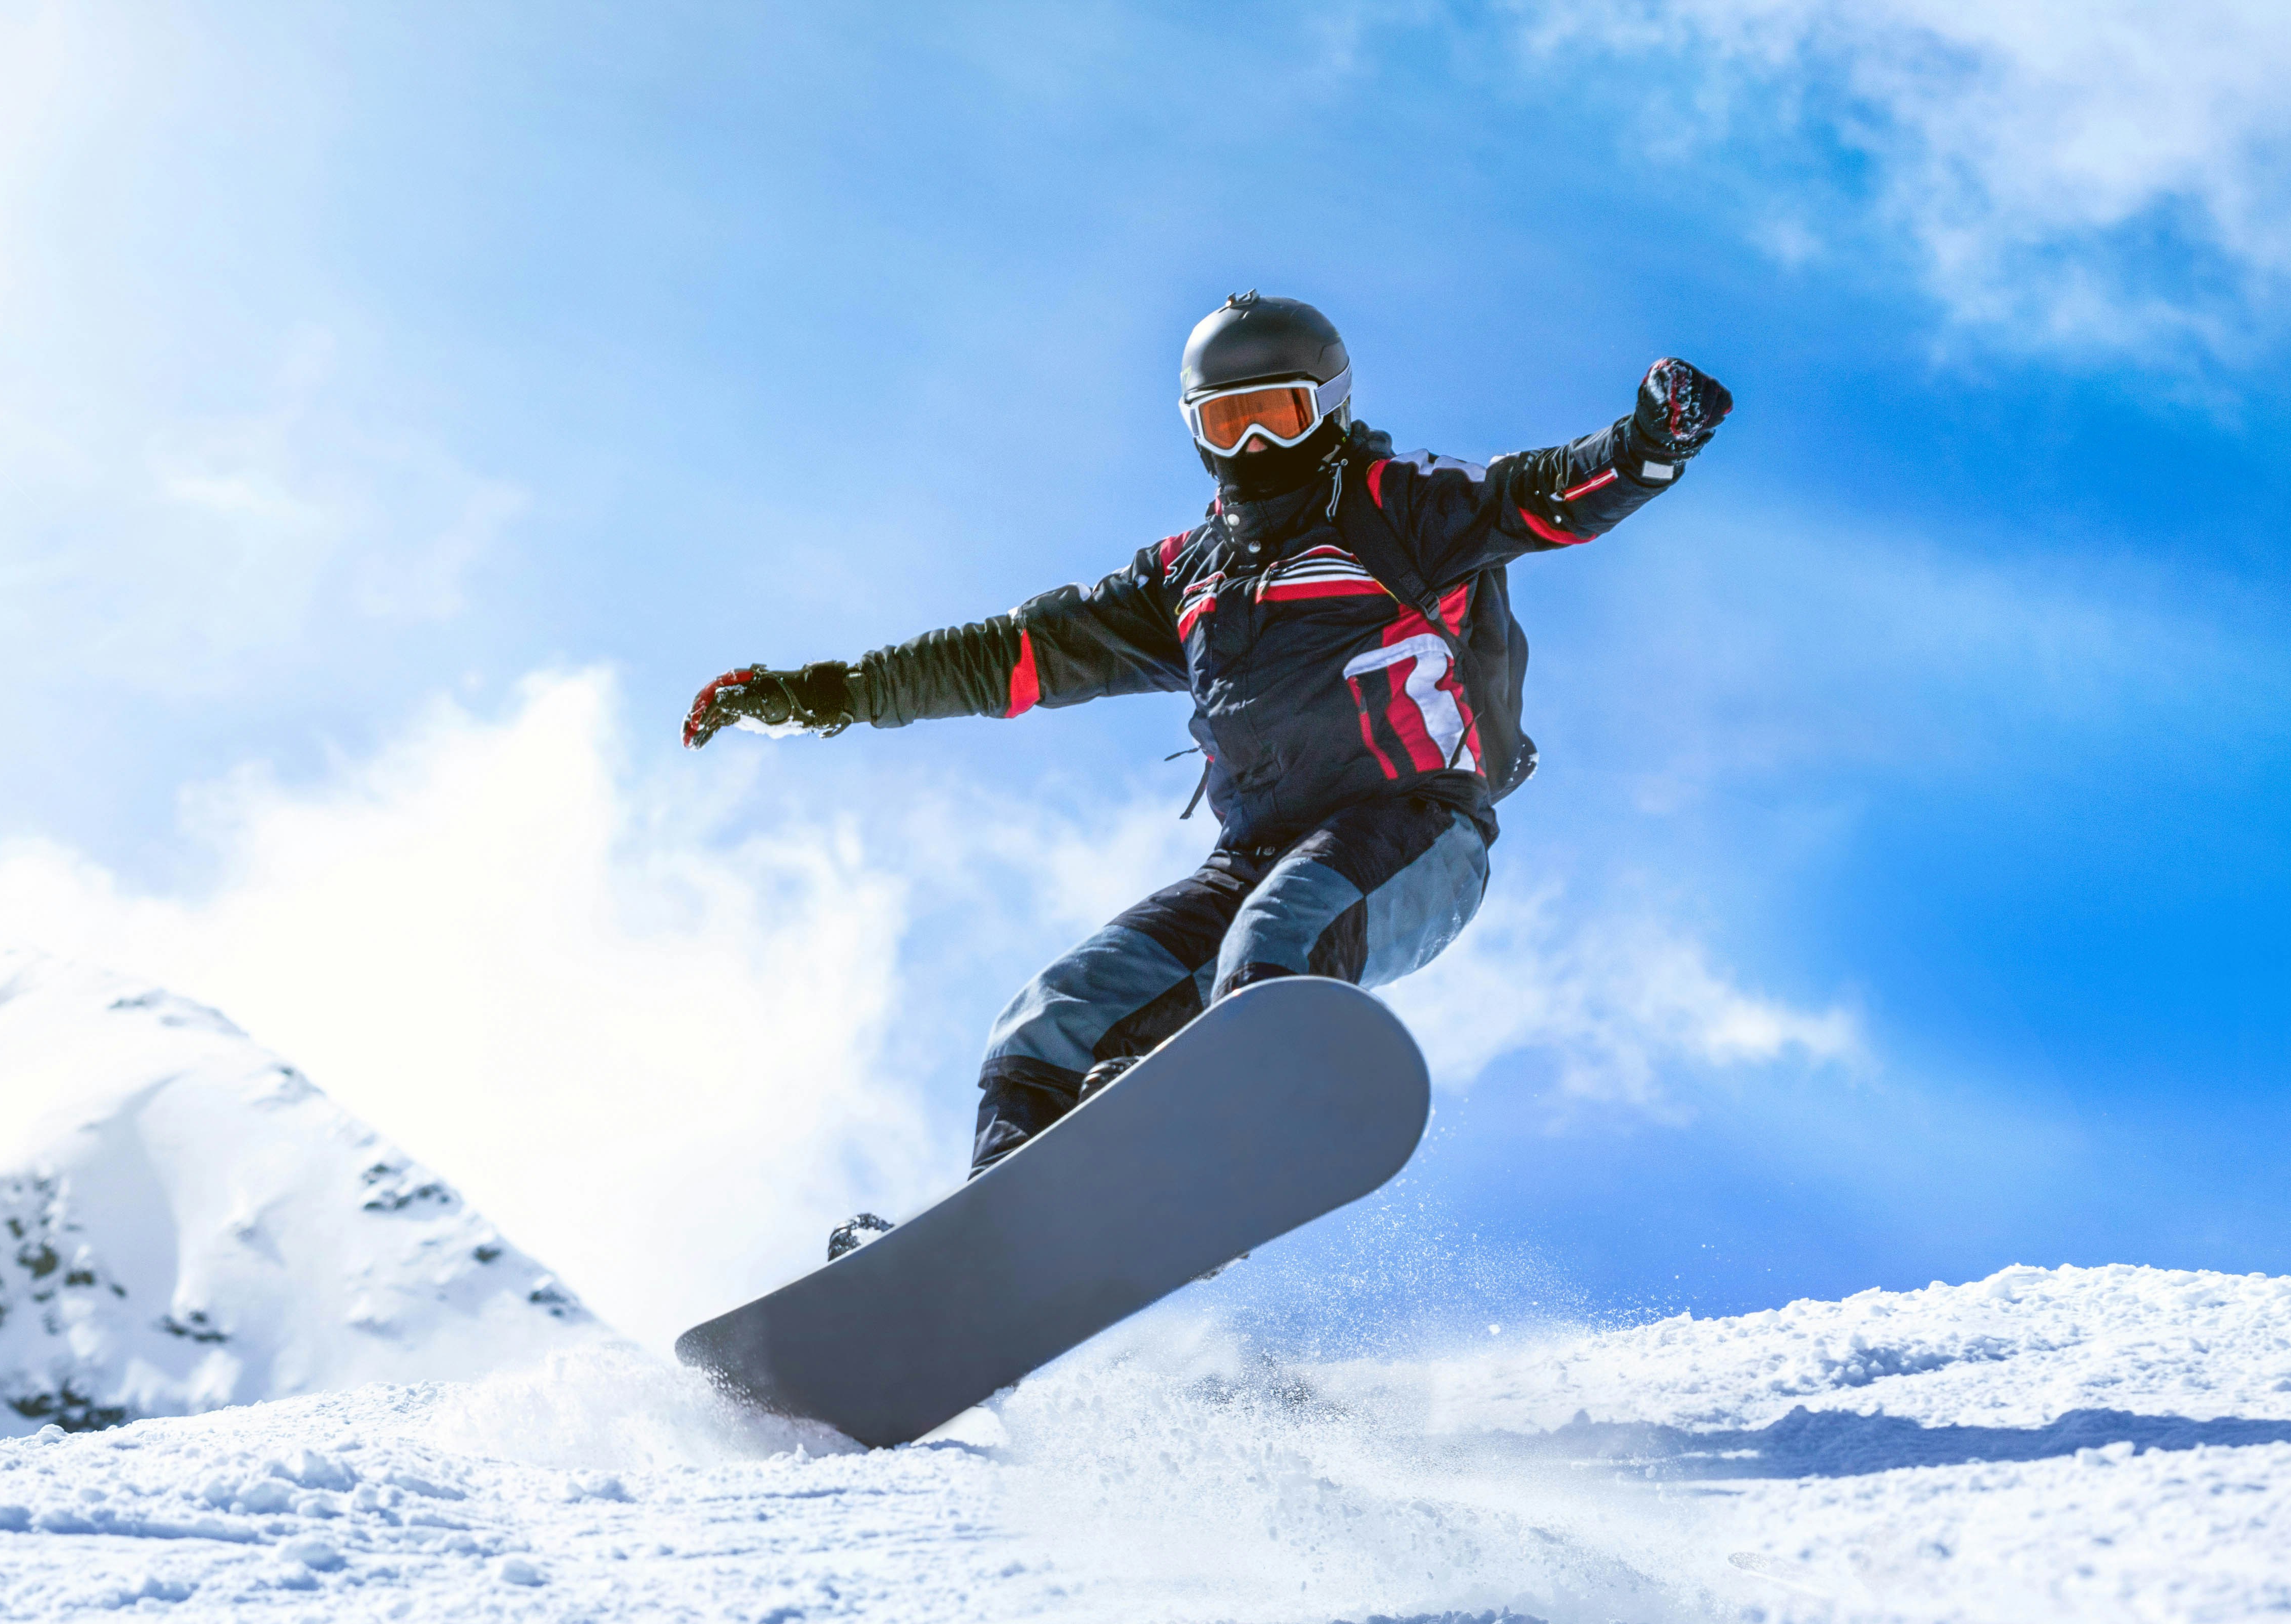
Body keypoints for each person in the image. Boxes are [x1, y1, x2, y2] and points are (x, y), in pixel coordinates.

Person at [682, 292, 1730, 1246]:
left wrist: (1647, 447)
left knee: (1270, 951)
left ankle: (1181, 1153)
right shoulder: (1188, 578)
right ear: (1194, 429)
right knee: (1056, 1013)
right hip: (1259, 851)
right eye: (1227, 422)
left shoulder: (1401, 508)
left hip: (1416, 832)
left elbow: (1538, 496)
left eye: (1278, 412)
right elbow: (1001, 657)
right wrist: (819, 693)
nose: (1257, 444)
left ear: (1329, 407)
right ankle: (1001, 1233)